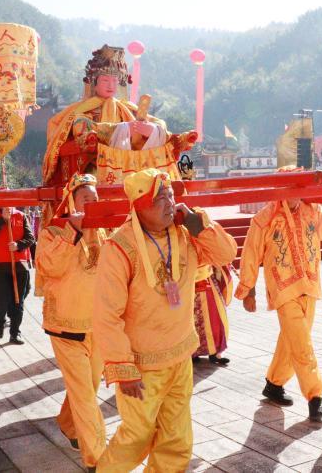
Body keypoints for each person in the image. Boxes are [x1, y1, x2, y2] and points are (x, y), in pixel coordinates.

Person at [93, 169, 237, 472]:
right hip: (142, 365)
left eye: (171, 195)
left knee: (177, 441)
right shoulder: (119, 247)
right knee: (136, 438)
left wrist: (200, 225)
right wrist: (122, 367)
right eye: (160, 198)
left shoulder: (186, 233)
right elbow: (107, 315)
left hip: (180, 357)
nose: (170, 203)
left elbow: (225, 254)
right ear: (139, 205)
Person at [235, 166, 322, 421]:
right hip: (283, 289)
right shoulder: (265, 218)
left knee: (293, 339)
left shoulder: (313, 211)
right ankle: (315, 395)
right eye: (289, 187)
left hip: (310, 285)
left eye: (298, 187)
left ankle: (274, 384)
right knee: (302, 344)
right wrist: (248, 289)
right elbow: (251, 253)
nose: (294, 193)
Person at [37, 173, 107, 471]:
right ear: (71, 203)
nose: (91, 204)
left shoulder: (105, 230)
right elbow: (49, 266)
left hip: (98, 325)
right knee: (85, 397)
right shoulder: (53, 230)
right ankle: (98, 458)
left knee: (89, 388)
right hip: (66, 327)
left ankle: (67, 423)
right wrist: (72, 232)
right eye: (85, 199)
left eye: (95, 199)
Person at [0, 206, 35, 345]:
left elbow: (30, 238)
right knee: (2, 297)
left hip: (20, 264)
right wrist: (2, 220)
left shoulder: (21, 215)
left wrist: (18, 245)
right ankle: (0, 321)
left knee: (18, 300)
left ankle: (15, 332)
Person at [191, 264, 233, 365]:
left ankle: (215, 352)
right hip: (188, 278)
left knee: (215, 317)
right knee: (191, 318)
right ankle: (192, 352)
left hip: (207, 276)